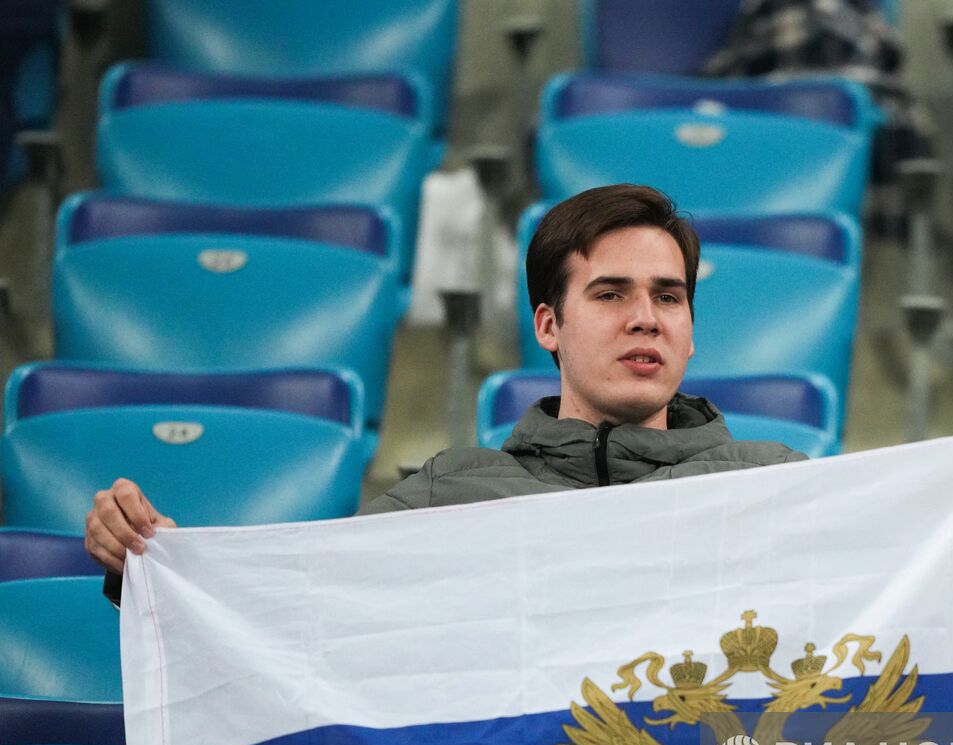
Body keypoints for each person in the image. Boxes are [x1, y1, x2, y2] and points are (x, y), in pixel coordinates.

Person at [82, 184, 807, 574]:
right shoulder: (448, 493)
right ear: (548, 326)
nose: (646, 318)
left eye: (669, 296)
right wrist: (156, 566)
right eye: (611, 294)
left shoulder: (777, 487)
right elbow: (294, 596)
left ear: (689, 329)